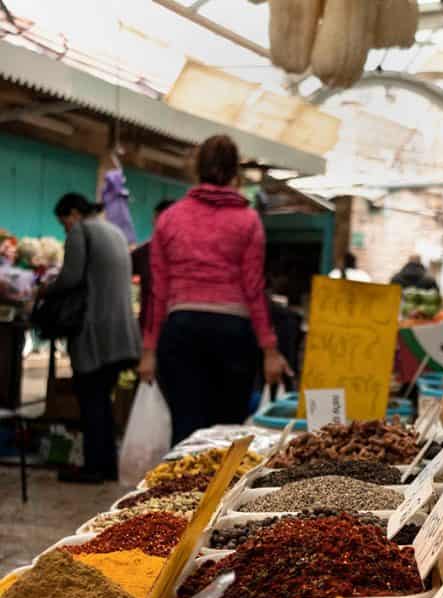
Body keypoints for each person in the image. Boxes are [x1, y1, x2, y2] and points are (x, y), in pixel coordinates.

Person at [139, 134, 289, 444]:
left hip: (181, 332)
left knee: (186, 432)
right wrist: (269, 350)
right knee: (227, 436)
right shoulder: (248, 221)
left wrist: (149, 350)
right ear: (235, 171)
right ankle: (223, 492)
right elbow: (254, 288)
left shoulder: (169, 219)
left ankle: (187, 491)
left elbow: (158, 290)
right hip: (233, 335)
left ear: (197, 168)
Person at [47, 193, 140, 483]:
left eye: (64, 223)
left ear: (74, 213)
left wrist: (45, 290)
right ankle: (107, 465)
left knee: (91, 401)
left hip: (94, 333)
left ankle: (94, 468)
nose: (66, 229)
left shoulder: (81, 231)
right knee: (102, 400)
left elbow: (71, 277)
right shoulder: (114, 231)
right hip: (122, 334)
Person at [131, 199, 175, 336]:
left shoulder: (188, 254)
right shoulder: (144, 252)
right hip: (147, 329)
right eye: (156, 219)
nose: (155, 223)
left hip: (175, 330)